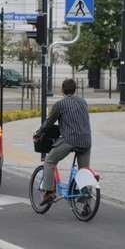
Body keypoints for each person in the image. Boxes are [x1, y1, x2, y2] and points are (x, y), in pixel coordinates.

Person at [35, 78, 91, 206]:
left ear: (62, 90)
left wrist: (38, 133)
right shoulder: (83, 102)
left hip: (70, 140)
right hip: (86, 141)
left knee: (49, 161)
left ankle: (49, 192)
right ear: (75, 89)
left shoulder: (60, 104)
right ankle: (86, 202)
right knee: (84, 170)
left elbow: (49, 122)